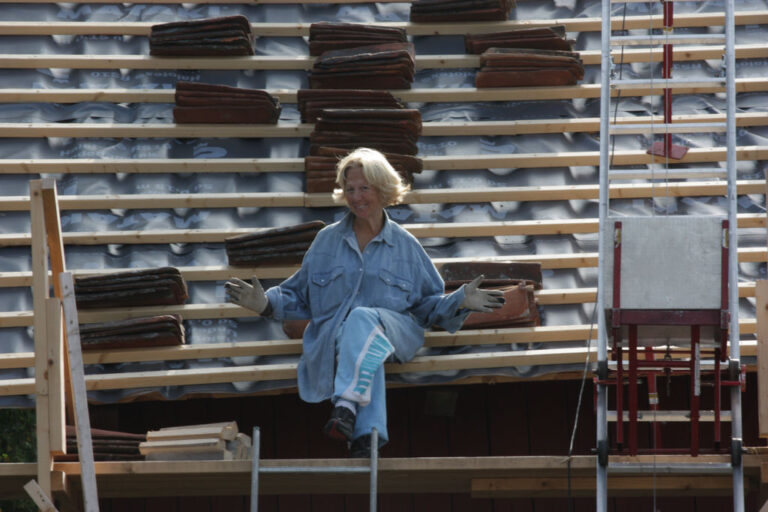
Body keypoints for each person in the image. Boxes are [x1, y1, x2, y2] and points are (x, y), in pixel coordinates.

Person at [225, 147, 504, 457]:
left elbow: (427, 308)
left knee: (361, 320)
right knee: (364, 346)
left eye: (364, 188)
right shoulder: (326, 242)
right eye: (350, 189)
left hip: (399, 333)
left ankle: (344, 404)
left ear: (382, 189)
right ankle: (365, 440)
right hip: (348, 342)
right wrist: (264, 303)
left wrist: (460, 301)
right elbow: (300, 295)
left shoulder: (405, 246)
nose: (356, 197)